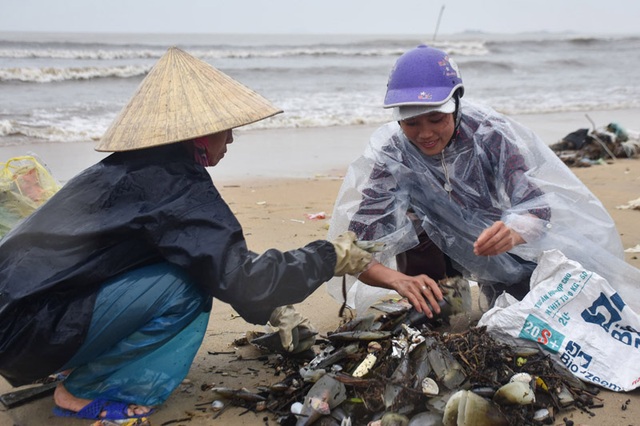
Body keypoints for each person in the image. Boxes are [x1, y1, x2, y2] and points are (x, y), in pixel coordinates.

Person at [0, 47, 372, 421]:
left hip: (19, 315)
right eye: (226, 130)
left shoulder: (122, 170)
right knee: (188, 287)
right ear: (200, 133)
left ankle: (82, 359)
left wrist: (271, 309)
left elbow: (207, 254)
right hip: (27, 335)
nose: (230, 140)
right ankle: (87, 390)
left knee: (184, 266)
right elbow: (237, 276)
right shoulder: (175, 185)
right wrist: (331, 256)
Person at [327, 45, 631, 317]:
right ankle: (445, 298)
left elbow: (538, 208)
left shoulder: (489, 135)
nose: (425, 134)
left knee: (532, 306)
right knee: (426, 291)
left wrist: (513, 232)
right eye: (411, 123)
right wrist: (399, 280)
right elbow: (355, 249)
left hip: (492, 243)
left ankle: (497, 285)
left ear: (456, 104)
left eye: (436, 119)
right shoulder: (395, 154)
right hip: (433, 248)